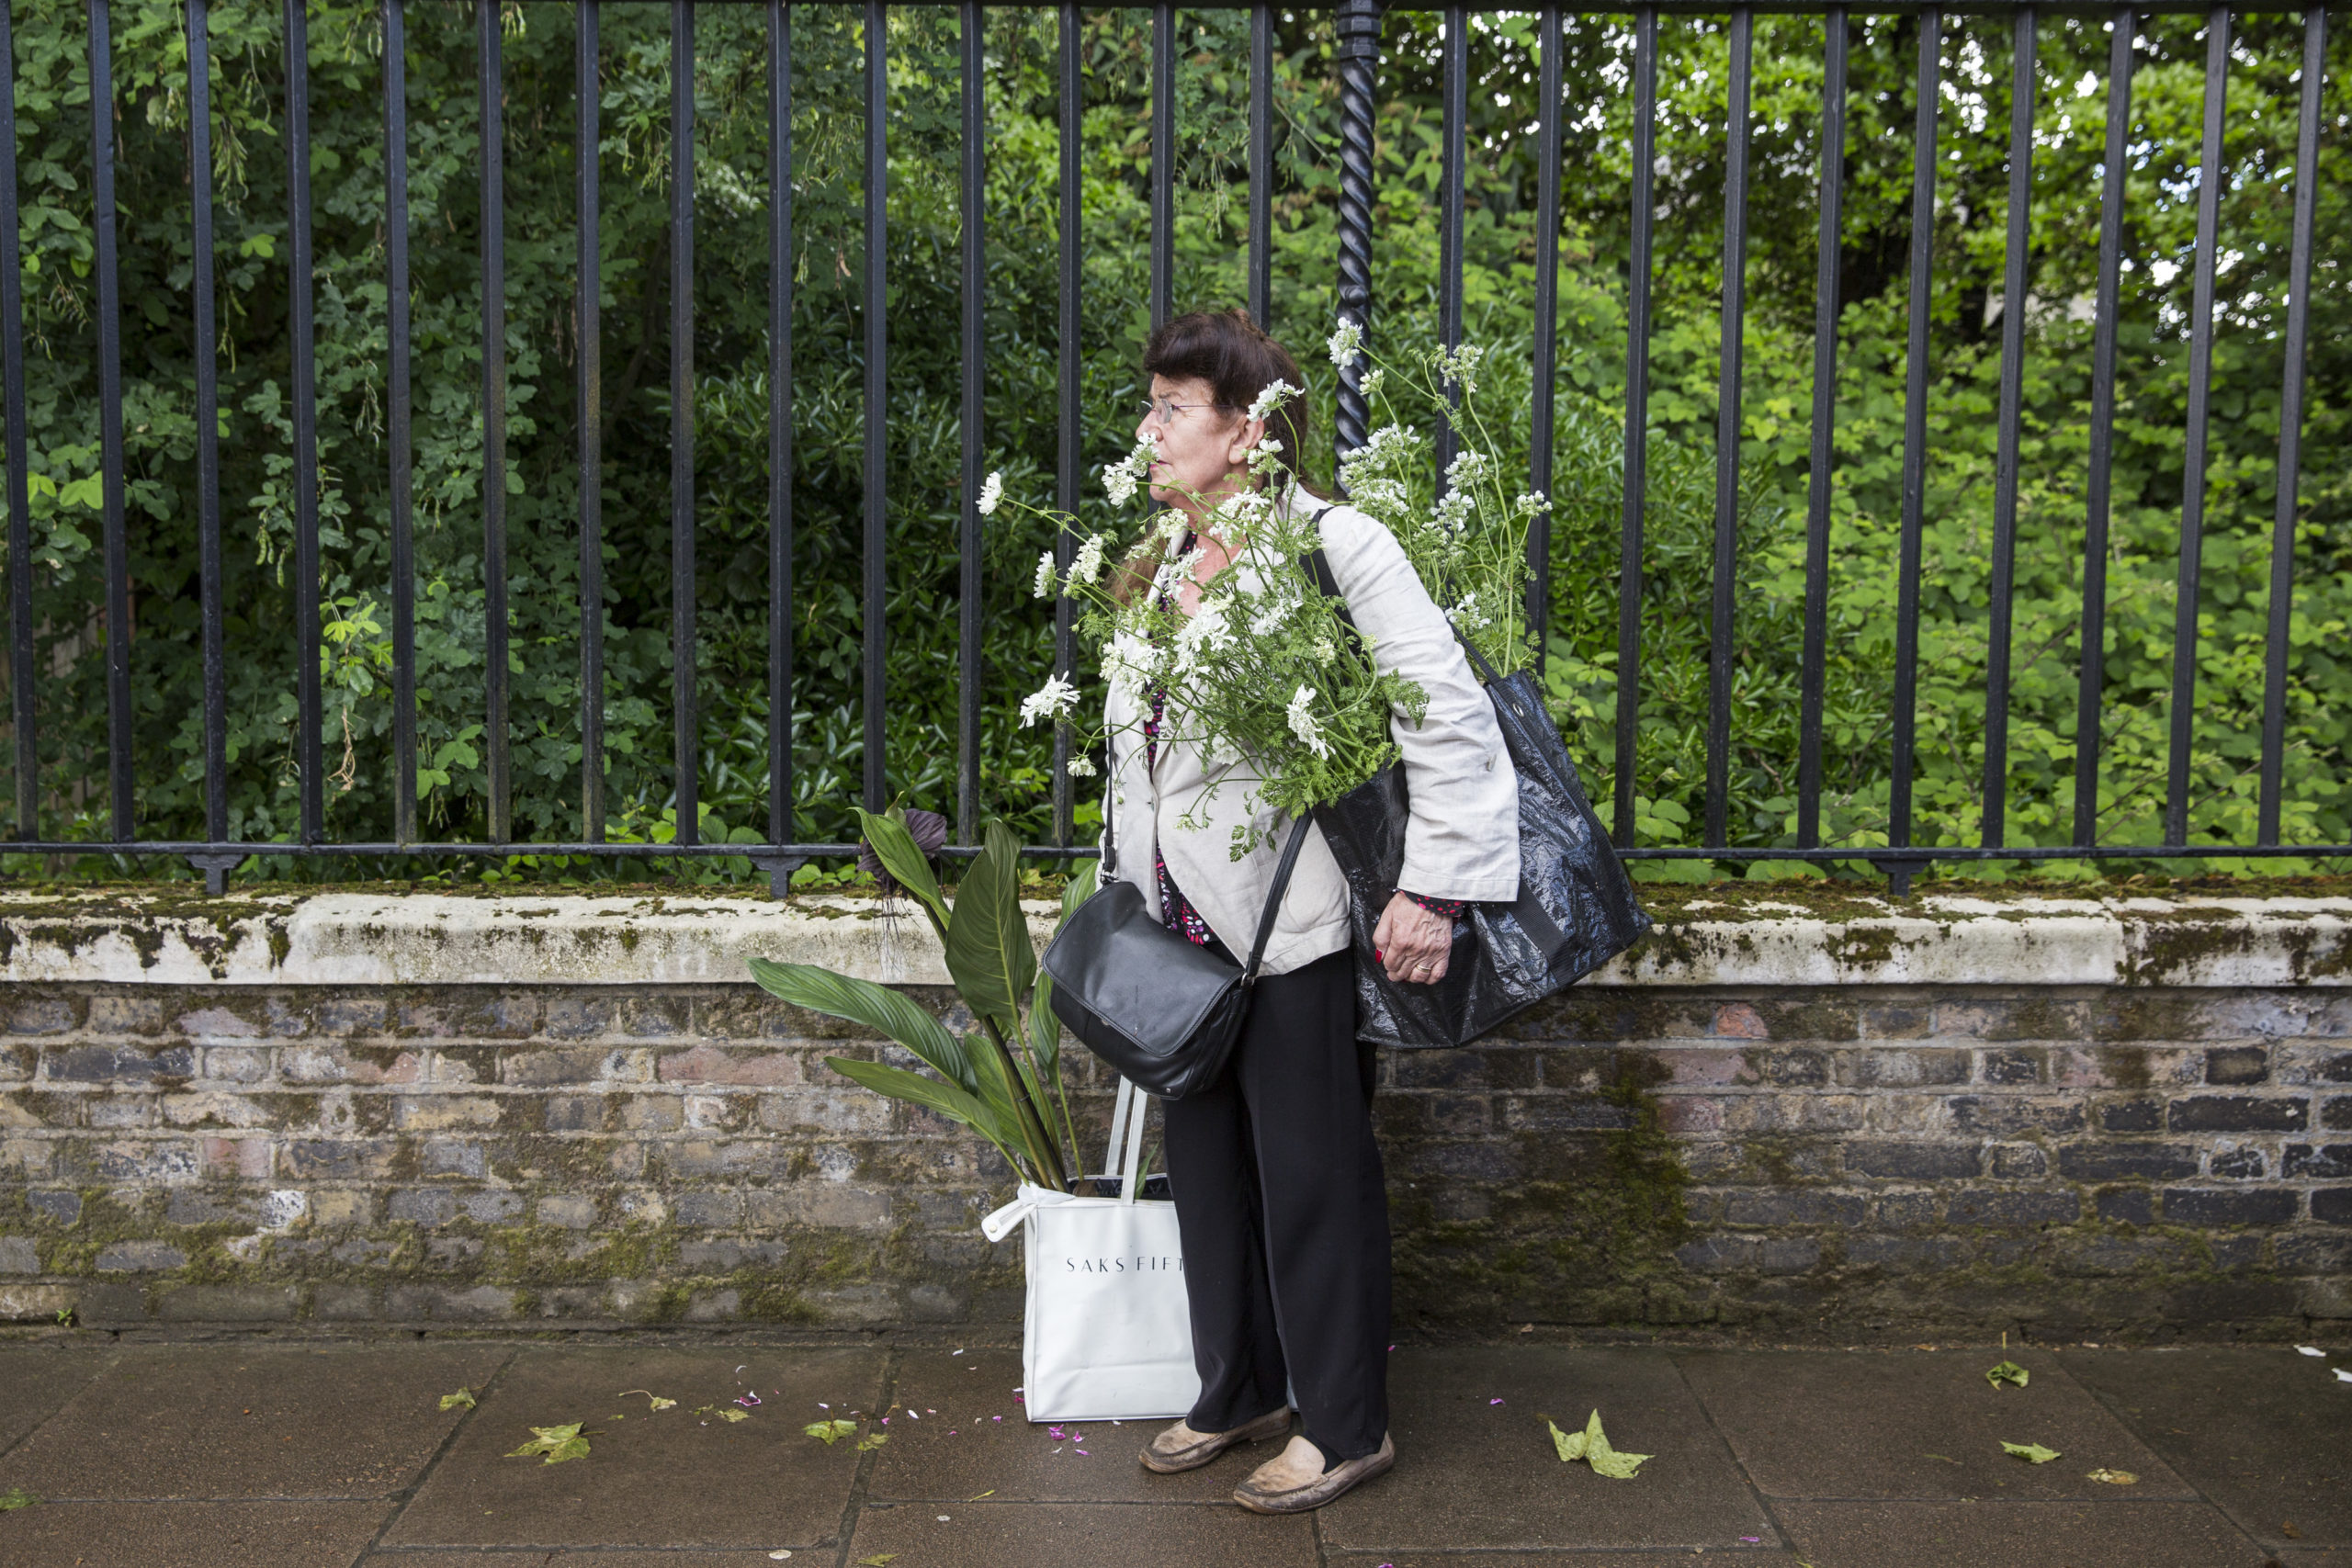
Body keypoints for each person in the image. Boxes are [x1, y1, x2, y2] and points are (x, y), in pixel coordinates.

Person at [1099, 309, 1520, 1513]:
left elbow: (1445, 712)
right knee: (1206, 1171)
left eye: (1174, 408)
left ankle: (1342, 1425)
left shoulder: (1336, 545)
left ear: (1248, 430)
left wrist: (1432, 890)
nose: (1150, 430)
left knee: (1311, 1173)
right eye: (1150, 405)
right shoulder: (1161, 563)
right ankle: (1237, 1387)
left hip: (1295, 925)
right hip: (1179, 931)